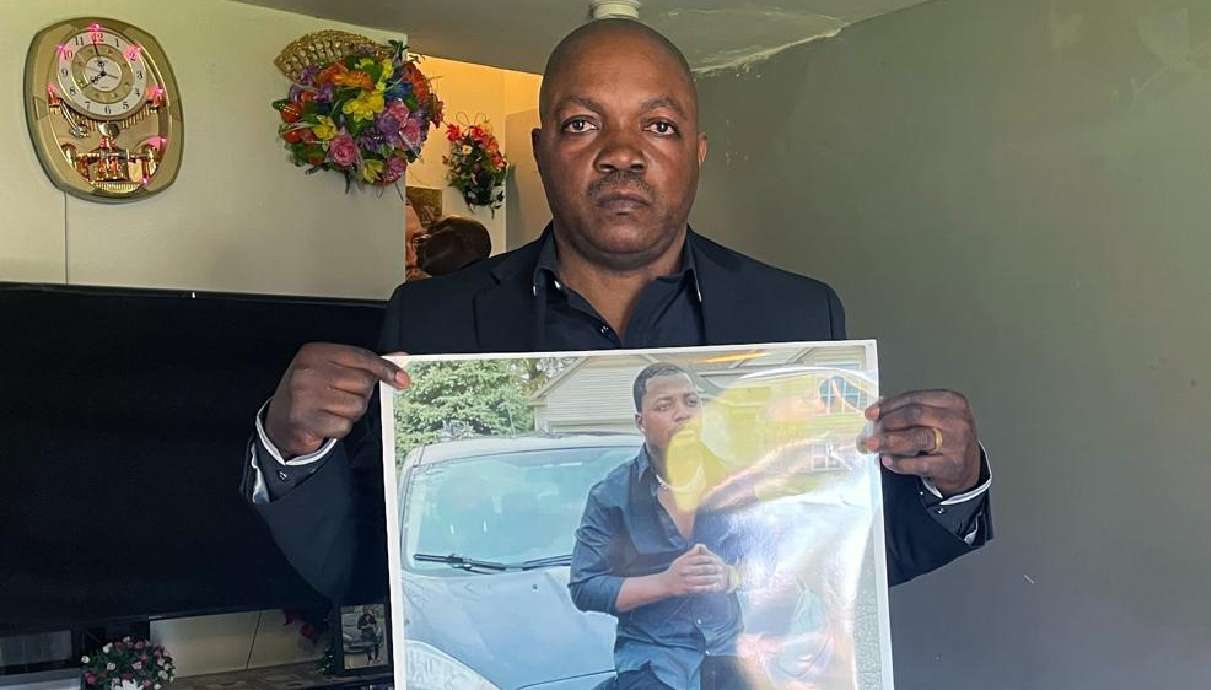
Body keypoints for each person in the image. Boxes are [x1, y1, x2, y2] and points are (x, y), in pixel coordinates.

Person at [240, 17, 992, 624]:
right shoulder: (434, 319)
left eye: (659, 127)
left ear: (696, 155)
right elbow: (370, 568)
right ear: (540, 151)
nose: (622, 154)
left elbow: (836, 559)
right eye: (580, 124)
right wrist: (291, 447)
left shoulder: (796, 313)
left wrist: (951, 485)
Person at [570, 363, 762, 690]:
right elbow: (585, 586)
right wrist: (666, 583)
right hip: (653, 659)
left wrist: (731, 576)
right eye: (664, 405)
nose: (682, 413)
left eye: (691, 402)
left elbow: (775, 562)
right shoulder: (611, 496)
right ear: (640, 423)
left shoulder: (736, 484)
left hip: (729, 653)